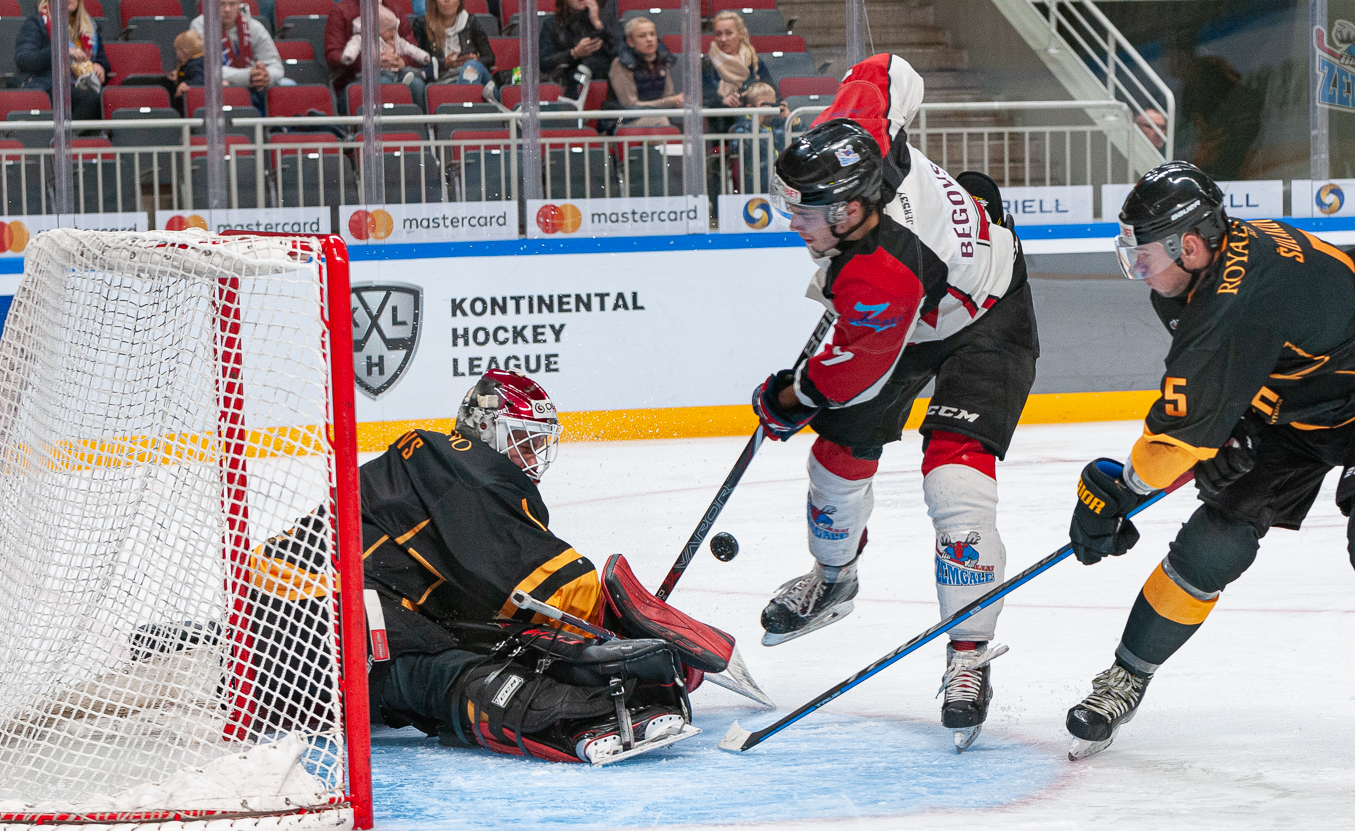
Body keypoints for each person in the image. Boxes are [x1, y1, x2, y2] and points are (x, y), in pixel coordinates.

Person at [1064, 161, 1355, 759]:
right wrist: (1229, 426)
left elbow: (1173, 441)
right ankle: (1127, 676)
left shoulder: (1231, 297)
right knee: (1216, 541)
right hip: (1305, 399)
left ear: (1189, 244)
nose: (1139, 269)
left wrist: (1120, 492)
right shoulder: (1198, 278)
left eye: (1145, 256)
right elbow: (1236, 377)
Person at [749, 55, 1039, 752]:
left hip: (985, 316)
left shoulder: (881, 269)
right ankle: (833, 578)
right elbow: (885, 66)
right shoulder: (852, 134)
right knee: (837, 459)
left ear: (850, 208)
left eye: (804, 210)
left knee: (955, 483)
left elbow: (841, 378)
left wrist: (787, 398)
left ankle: (967, 654)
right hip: (914, 306)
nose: (792, 220)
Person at [256, 371, 744, 764]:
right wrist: (617, 624)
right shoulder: (459, 468)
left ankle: (588, 701)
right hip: (308, 620)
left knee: (469, 647)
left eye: (539, 443)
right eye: (524, 441)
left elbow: (495, 605)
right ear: (484, 429)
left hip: (299, 626)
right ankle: (577, 718)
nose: (533, 456)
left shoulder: (446, 470)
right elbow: (552, 585)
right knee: (444, 674)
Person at [13, 0, 110, 123]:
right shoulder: (36, 24)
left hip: (85, 84)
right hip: (49, 85)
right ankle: (71, 138)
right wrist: (60, 51)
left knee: (101, 98)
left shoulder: (91, 26)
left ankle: (77, 137)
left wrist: (99, 66)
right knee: (89, 98)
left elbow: (103, 61)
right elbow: (24, 60)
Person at [191, 0, 285, 113]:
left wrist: (266, 76)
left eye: (232, 4)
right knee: (224, 88)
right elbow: (206, 69)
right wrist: (248, 76)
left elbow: (276, 66)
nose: (227, 9)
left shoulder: (254, 27)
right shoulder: (200, 25)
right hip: (221, 84)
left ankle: (281, 129)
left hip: (255, 84)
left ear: (239, 5)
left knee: (287, 85)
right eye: (221, 4)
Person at [339, 5, 429, 109]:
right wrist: (350, 57)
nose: (393, 32)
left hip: (397, 71)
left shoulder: (396, 39)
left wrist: (423, 57)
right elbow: (352, 46)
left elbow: (411, 49)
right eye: (389, 30)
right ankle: (389, 119)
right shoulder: (362, 38)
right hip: (372, 74)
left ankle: (420, 122)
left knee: (417, 84)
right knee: (385, 83)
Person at [327, 0, 419, 95]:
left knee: (417, 85)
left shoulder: (396, 9)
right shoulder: (341, 10)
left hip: (397, 72)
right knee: (383, 83)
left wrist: (401, 61)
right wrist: (369, 60)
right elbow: (333, 56)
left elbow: (413, 48)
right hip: (355, 79)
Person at [701, 10, 772, 132]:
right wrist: (722, 100)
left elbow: (772, 92)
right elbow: (702, 97)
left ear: (740, 34)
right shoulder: (707, 64)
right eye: (718, 34)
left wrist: (750, 96)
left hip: (755, 124)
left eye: (728, 33)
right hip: (721, 127)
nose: (723, 39)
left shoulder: (754, 61)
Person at [539, 0, 620, 99]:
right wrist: (573, 53)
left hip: (604, 78)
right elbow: (544, 62)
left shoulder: (605, 20)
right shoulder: (551, 23)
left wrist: (597, 23)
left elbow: (619, 52)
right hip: (568, 79)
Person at [607, 16, 681, 124]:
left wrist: (675, 101)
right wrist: (671, 101)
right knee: (661, 122)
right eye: (642, 36)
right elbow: (630, 105)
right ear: (630, 41)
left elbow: (668, 97)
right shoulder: (621, 64)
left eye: (652, 34)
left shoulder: (663, 59)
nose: (649, 39)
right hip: (625, 122)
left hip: (656, 117)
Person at [412, 0, 495, 86]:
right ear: (435, 2)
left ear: (459, 2)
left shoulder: (471, 22)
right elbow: (418, 63)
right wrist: (445, 63)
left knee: (471, 67)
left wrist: (474, 61)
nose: (447, 1)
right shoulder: (423, 25)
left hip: (472, 76)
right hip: (441, 81)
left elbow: (489, 58)